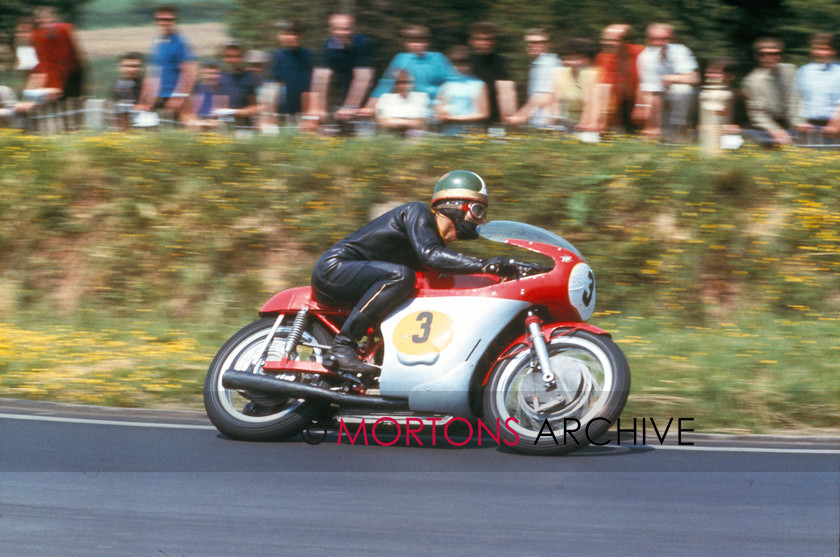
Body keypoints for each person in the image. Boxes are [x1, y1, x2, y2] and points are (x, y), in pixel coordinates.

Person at [311, 170, 517, 374]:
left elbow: (438, 261)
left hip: (358, 277)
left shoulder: (429, 240)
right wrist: (486, 264)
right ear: (454, 207)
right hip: (334, 269)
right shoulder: (417, 213)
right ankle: (342, 346)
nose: (481, 221)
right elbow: (431, 255)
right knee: (401, 276)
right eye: (478, 210)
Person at [359, 25, 460, 118]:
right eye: (411, 41)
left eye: (421, 41)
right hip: (411, 107)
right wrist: (369, 106)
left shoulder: (438, 58)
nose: (417, 45)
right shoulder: (400, 59)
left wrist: (444, 105)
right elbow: (385, 84)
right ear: (405, 43)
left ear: (427, 42)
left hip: (435, 106)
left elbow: (453, 83)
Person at [635, 23, 700, 141]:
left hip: (681, 99)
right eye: (655, 39)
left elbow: (694, 78)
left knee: (682, 89)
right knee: (663, 136)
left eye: (664, 39)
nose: (660, 43)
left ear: (672, 39)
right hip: (660, 100)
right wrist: (652, 125)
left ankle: (682, 129)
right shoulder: (645, 57)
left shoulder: (681, 51)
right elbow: (651, 93)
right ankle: (665, 131)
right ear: (648, 40)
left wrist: (670, 78)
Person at [136, 5, 197, 116]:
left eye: (168, 19)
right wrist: (143, 100)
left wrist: (179, 96)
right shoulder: (156, 43)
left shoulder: (181, 42)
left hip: (175, 98)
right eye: (161, 19)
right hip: (157, 97)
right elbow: (151, 74)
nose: (164, 23)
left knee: (182, 130)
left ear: (175, 21)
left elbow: (189, 72)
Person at [742, 38, 802, 147]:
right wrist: (775, 131)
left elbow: (794, 100)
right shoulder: (752, 81)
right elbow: (757, 113)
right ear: (757, 56)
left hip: (790, 123)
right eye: (764, 54)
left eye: (775, 54)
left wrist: (797, 124)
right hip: (767, 126)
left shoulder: (790, 71)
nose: (769, 58)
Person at [320, 13, 375, 124]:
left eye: (347, 29)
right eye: (338, 29)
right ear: (331, 30)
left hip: (369, 92)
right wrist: (318, 107)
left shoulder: (362, 43)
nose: (343, 33)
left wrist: (349, 106)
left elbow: (363, 77)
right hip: (344, 90)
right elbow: (320, 77)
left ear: (353, 29)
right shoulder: (328, 44)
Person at [505, 28, 562, 128]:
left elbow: (543, 95)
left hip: (545, 123)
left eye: (541, 42)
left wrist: (521, 116)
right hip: (541, 121)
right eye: (531, 42)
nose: (535, 45)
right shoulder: (541, 62)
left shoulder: (546, 63)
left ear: (549, 44)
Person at [593, 23, 643, 133]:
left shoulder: (641, 53)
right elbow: (604, 88)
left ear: (626, 41)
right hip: (618, 105)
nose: (606, 43)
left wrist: (641, 106)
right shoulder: (603, 57)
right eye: (604, 39)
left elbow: (647, 83)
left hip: (641, 101)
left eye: (612, 40)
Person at [27, 6, 84, 101]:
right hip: (50, 82)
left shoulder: (63, 31)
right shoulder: (35, 36)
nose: (47, 26)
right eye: (42, 22)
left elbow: (68, 60)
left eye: (48, 20)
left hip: (69, 78)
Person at [435, 45, 490, 135]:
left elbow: (484, 113)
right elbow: (439, 104)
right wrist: (442, 112)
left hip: (471, 133)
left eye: (464, 64)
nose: (459, 67)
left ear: (471, 64)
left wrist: (456, 119)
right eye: (455, 64)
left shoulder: (479, 84)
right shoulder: (447, 84)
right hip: (449, 132)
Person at [795, 33, 840, 139]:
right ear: (812, 51)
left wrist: (836, 124)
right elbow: (796, 100)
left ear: (833, 52)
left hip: (835, 128)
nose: (821, 53)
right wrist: (799, 122)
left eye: (825, 49)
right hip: (809, 127)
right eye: (817, 49)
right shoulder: (803, 71)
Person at [554, 37, 604, 132]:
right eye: (568, 59)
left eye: (576, 59)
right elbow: (556, 100)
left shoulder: (593, 74)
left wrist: (587, 124)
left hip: (588, 122)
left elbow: (591, 103)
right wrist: (555, 117)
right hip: (567, 123)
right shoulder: (558, 73)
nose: (572, 63)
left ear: (585, 59)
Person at [468, 21, 512, 126]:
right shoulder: (465, 63)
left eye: (488, 39)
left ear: (494, 41)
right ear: (471, 41)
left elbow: (505, 93)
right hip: (470, 116)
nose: (484, 43)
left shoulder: (501, 62)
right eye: (480, 39)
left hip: (495, 118)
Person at [269, 20, 313, 118]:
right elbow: (275, 85)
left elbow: (308, 87)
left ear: (300, 36)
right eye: (288, 34)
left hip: (304, 110)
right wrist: (272, 115)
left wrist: (307, 114)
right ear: (282, 36)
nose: (292, 37)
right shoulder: (276, 56)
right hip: (282, 110)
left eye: (295, 33)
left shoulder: (307, 55)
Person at [374, 70, 429, 136]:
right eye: (399, 82)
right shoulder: (385, 98)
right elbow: (382, 123)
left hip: (414, 140)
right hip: (390, 138)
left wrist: (393, 121)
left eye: (407, 82)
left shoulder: (421, 98)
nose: (403, 86)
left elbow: (420, 124)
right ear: (395, 85)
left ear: (412, 84)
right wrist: (410, 122)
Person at [218, 43, 260, 127]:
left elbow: (254, 106)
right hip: (224, 125)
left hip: (244, 125)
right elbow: (218, 107)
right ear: (224, 58)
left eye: (237, 56)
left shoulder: (250, 78)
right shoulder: (220, 78)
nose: (233, 60)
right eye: (229, 56)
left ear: (242, 58)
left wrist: (234, 113)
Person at [111, 52, 144, 130]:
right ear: (120, 67)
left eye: (135, 66)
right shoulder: (117, 86)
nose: (132, 69)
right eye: (127, 66)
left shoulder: (146, 86)